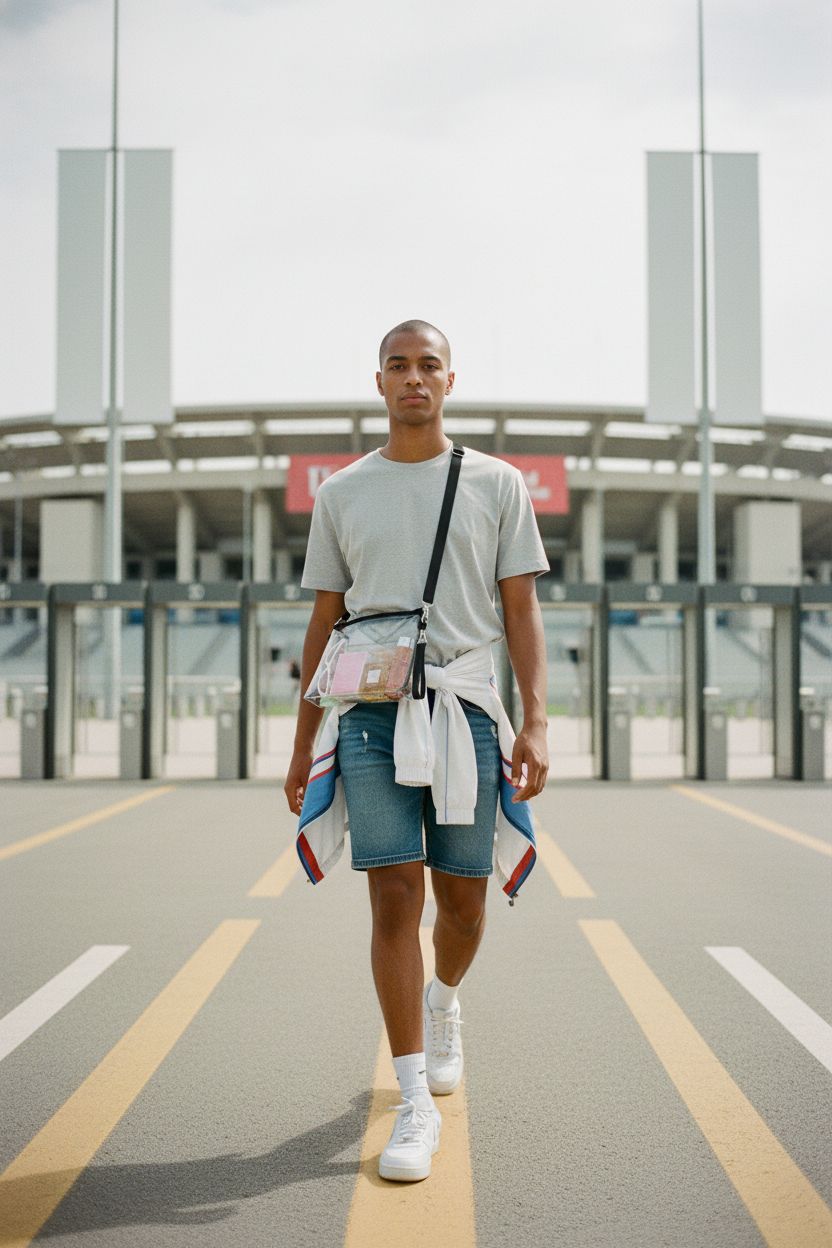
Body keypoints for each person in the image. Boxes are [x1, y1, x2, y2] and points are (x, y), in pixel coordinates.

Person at [284, 319, 549, 1183]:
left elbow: (521, 613)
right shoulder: (343, 493)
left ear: (449, 379)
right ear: (379, 381)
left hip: (468, 709)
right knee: (393, 894)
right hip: (369, 710)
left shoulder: (497, 483)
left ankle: (444, 1002)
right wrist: (300, 744)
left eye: (427, 364)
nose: (413, 378)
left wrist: (536, 719)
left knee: (462, 907)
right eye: (398, 365)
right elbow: (322, 623)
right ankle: (413, 1102)